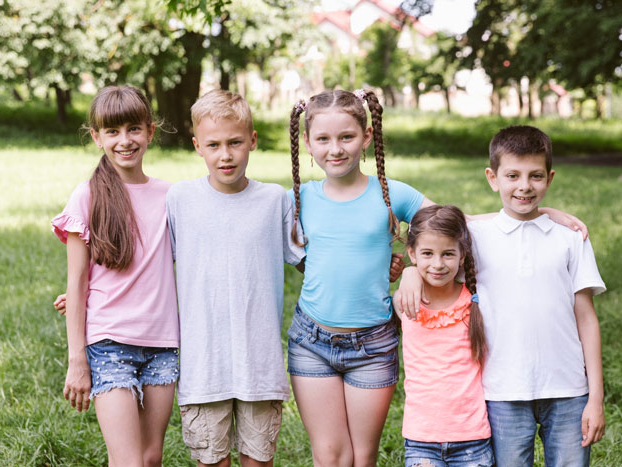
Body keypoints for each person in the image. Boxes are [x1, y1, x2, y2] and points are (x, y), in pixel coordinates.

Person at [395, 125, 606, 467]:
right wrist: (408, 271)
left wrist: (595, 397)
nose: (524, 186)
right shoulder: (474, 238)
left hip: (569, 389)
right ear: (492, 178)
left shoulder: (570, 238)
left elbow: (587, 318)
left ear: (549, 179)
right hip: (501, 391)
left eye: (535, 176)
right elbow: (433, 236)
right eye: (513, 176)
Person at [286, 88, 429, 467]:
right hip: (311, 341)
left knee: (362, 457)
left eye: (346, 137)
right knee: (331, 456)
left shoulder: (391, 195)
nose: (335, 149)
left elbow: (452, 227)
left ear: (366, 137)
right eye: (323, 139)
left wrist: (413, 270)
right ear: (307, 143)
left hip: (372, 346)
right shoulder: (298, 199)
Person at [165, 89, 306, 467]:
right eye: (213, 145)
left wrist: (382, 265)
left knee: (258, 461)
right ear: (197, 146)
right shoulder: (179, 199)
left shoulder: (276, 200)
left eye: (235, 143)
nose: (225, 155)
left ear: (253, 141)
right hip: (203, 365)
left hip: (258, 364)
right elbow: (152, 264)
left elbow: (309, 262)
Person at [51, 85, 179, 467]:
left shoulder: (172, 197)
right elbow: (77, 282)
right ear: (96, 136)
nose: (125, 141)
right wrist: (78, 361)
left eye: (134, 129)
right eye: (112, 131)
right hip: (109, 346)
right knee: (128, 461)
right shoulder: (87, 196)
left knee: (151, 457)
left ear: (150, 131)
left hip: (162, 343)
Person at [399, 204, 494, 467]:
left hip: (472, 439)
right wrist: (408, 273)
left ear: (462, 256)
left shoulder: (477, 302)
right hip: (421, 440)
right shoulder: (406, 301)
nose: (438, 264)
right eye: (427, 253)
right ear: (412, 253)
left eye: (448, 254)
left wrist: (546, 213)